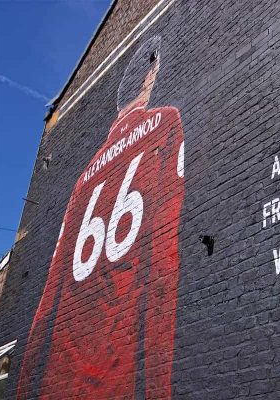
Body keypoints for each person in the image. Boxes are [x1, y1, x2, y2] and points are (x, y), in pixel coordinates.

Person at [17, 36, 185, 400]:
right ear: (150, 77)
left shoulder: (83, 180)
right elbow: (161, 272)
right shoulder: (164, 125)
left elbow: (45, 309)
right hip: (117, 377)